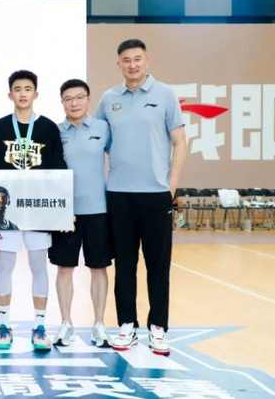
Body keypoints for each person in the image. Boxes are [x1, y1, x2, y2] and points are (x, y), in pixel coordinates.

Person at [96, 39, 187, 356]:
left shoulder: (165, 95)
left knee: (158, 266)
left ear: (147, 61)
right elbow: (98, 143)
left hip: (156, 196)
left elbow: (180, 142)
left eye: (137, 59)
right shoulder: (109, 99)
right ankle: (127, 325)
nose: (132, 65)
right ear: (118, 64)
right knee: (124, 265)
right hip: (119, 196)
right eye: (126, 60)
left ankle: (158, 328)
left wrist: (170, 189)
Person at [0, 69, 67, 351]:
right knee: (5, 266)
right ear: (10, 95)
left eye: (28, 89)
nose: (23, 94)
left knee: (39, 267)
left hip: (39, 212)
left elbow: (58, 174)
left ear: (36, 94)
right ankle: (3, 326)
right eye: (17, 89)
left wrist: (61, 212)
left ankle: (40, 327)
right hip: (7, 214)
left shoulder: (49, 128)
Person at [49, 78, 113, 348]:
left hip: (99, 210)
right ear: (62, 102)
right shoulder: (54, 132)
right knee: (65, 268)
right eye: (68, 99)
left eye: (79, 97)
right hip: (66, 214)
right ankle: (66, 324)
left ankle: (99, 325)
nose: (74, 103)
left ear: (89, 99)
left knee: (98, 268)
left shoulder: (103, 128)